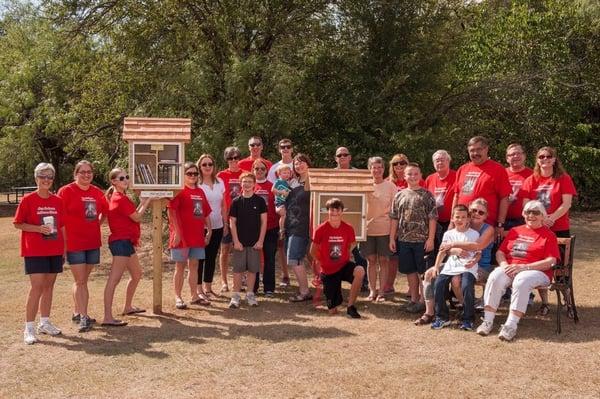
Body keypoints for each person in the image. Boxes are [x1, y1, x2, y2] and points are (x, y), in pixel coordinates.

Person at [476, 200, 560, 341]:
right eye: (528, 212)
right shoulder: (516, 231)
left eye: (536, 212)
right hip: (511, 268)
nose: (531, 215)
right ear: (523, 214)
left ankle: (511, 326)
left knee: (522, 280)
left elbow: (551, 261)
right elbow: (500, 252)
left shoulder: (548, 235)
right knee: (495, 276)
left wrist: (525, 267)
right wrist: (503, 265)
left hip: (537, 271)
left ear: (543, 216)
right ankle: (487, 321)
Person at [416, 198, 494, 325]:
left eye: (481, 212)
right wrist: (453, 250)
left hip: (478, 266)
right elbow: (444, 249)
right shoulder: (455, 226)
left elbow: (476, 247)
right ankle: (430, 312)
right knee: (430, 273)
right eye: (474, 210)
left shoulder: (487, 229)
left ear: (486, 215)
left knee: (456, 280)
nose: (476, 214)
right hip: (454, 263)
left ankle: (467, 311)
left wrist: (453, 245)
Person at [521, 146, 577, 314]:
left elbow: (566, 203)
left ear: (554, 159)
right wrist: (539, 220)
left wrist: (551, 218)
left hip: (558, 228)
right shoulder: (531, 179)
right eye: (541, 157)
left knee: (561, 268)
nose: (544, 159)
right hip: (537, 229)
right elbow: (526, 204)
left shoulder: (563, 178)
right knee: (539, 266)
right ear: (537, 160)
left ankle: (567, 304)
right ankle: (544, 303)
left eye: (548, 156)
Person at [14, 163, 65, 344]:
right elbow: (18, 223)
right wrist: (38, 229)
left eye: (49, 177)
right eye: (42, 176)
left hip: (54, 249)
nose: (46, 180)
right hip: (34, 250)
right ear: (36, 178)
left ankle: (44, 323)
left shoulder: (58, 200)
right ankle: (28, 328)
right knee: (37, 287)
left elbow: (62, 226)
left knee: (49, 287)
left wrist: (64, 249)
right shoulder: (28, 200)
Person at [57, 160, 109, 332]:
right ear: (75, 174)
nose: (86, 175)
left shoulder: (97, 192)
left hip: (92, 242)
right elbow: (59, 217)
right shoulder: (66, 191)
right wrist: (63, 243)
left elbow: (104, 212)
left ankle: (77, 312)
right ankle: (84, 318)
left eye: (89, 172)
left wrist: (97, 224)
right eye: (82, 172)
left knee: (82, 281)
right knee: (80, 281)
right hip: (74, 243)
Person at [102, 168, 151, 327]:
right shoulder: (119, 198)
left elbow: (133, 214)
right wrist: (146, 201)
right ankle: (107, 318)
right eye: (121, 178)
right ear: (114, 181)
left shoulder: (121, 197)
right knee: (113, 280)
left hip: (126, 242)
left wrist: (142, 203)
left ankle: (128, 307)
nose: (125, 180)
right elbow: (137, 217)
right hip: (120, 242)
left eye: (127, 177)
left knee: (136, 274)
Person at [389, 163, 438, 313]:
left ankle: (424, 301)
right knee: (410, 271)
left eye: (416, 174)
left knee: (422, 272)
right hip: (404, 240)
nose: (413, 177)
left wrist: (430, 239)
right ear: (405, 176)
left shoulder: (427, 195)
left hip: (422, 241)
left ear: (421, 175)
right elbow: (394, 218)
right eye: (409, 174)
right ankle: (414, 300)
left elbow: (432, 218)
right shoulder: (399, 195)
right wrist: (392, 238)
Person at [310, 198, 365, 318]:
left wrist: (345, 254)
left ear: (342, 211)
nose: (334, 213)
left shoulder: (348, 228)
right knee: (332, 311)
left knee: (360, 271)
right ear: (327, 211)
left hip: (343, 265)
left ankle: (351, 306)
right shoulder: (320, 229)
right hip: (328, 271)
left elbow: (353, 244)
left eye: (337, 210)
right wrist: (323, 261)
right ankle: (334, 301)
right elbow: (312, 251)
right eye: (331, 210)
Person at [168, 162, 212, 309]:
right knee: (179, 266)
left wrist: (209, 231)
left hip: (197, 236)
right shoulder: (179, 191)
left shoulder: (200, 192)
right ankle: (178, 297)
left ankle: (194, 296)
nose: (193, 176)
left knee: (194, 265)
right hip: (181, 237)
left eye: (195, 174)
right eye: (189, 174)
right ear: (183, 175)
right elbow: (171, 212)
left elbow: (206, 213)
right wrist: (177, 233)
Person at [429, 205, 480, 331]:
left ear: (468, 219)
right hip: (450, 267)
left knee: (467, 286)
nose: (460, 219)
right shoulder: (448, 234)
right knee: (438, 285)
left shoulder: (474, 234)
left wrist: (474, 261)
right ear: (452, 218)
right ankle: (442, 317)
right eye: (457, 217)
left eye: (463, 217)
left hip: (468, 267)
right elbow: (442, 251)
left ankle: (468, 319)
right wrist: (436, 267)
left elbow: (478, 252)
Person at [452, 136, 512, 240]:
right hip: (462, 223)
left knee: (482, 254)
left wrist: (500, 224)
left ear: (486, 149)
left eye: (479, 149)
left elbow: (504, 198)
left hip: (484, 225)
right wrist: (452, 221)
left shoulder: (498, 169)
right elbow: (456, 196)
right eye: (472, 150)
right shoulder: (462, 169)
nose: (475, 153)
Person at [228, 172, 267, 308]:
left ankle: (250, 294)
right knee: (238, 270)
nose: (247, 184)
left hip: (255, 243)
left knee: (252, 270)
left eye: (250, 181)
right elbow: (232, 222)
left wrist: (261, 240)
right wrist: (236, 241)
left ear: (254, 184)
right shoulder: (236, 202)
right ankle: (236, 296)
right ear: (241, 184)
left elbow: (264, 222)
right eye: (244, 181)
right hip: (240, 243)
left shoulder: (260, 201)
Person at [362, 156, 396, 302]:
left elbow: (396, 212)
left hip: (385, 229)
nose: (376, 170)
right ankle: (372, 291)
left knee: (383, 260)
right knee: (370, 261)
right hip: (367, 229)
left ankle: (381, 292)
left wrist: (394, 234)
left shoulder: (391, 187)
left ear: (383, 169)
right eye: (373, 167)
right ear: (369, 169)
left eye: (379, 167)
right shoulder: (363, 185)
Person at [197, 154, 227, 299]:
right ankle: (198, 289)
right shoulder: (196, 183)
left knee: (211, 257)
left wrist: (225, 223)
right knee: (200, 258)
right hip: (200, 227)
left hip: (218, 226)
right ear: (199, 167)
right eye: (204, 165)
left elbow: (223, 204)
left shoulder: (220, 182)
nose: (207, 167)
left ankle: (208, 288)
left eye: (210, 164)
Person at [285, 153, 313, 302]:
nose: (299, 165)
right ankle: (305, 290)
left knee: (294, 257)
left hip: (303, 226)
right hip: (290, 224)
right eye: (296, 163)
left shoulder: (313, 181)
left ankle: (304, 291)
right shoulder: (293, 182)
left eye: (302, 162)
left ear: (308, 164)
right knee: (297, 259)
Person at [217, 146, 244, 293]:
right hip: (225, 218)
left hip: (242, 218)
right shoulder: (221, 175)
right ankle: (223, 281)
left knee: (240, 250)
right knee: (225, 250)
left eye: (236, 158)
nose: (233, 161)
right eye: (230, 158)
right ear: (226, 160)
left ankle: (239, 280)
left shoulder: (245, 174)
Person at [267, 138, 293, 287]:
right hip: (282, 206)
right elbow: (273, 190)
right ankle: (285, 275)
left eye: (288, 146)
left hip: (298, 208)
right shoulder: (274, 168)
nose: (285, 149)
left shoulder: (298, 164)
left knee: (305, 244)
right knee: (281, 243)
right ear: (279, 149)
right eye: (282, 147)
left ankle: (317, 275)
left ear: (292, 149)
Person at [253, 158, 279, 296]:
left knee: (269, 258)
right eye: (257, 169)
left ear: (266, 171)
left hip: (271, 227)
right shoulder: (249, 185)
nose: (260, 171)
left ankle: (269, 288)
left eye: (262, 169)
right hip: (254, 229)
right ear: (253, 170)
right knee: (254, 259)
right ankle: (254, 286)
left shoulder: (272, 186)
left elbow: (279, 205)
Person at [425, 150, 456, 235]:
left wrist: (453, 222)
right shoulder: (429, 179)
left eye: (442, 160)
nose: (440, 163)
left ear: (448, 161)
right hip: (434, 221)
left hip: (452, 221)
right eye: (437, 161)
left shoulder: (457, 176)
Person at [505, 144, 533, 229]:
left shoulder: (533, 175)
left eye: (518, 153)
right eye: (512, 154)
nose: (516, 156)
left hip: (525, 219)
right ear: (507, 158)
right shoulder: (501, 173)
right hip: (503, 219)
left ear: (524, 156)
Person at [272, 164, 292, 240]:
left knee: (285, 215)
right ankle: (281, 230)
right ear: (279, 174)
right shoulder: (278, 181)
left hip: (284, 202)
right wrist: (281, 192)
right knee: (283, 215)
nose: (286, 174)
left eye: (288, 173)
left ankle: (283, 229)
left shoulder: (287, 183)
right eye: (284, 173)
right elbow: (273, 190)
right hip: (279, 202)